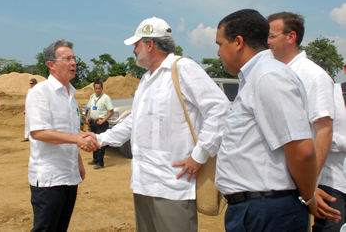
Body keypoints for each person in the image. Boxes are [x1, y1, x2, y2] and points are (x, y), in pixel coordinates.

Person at [82, 17, 229, 232]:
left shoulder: (182, 69)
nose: (133, 51)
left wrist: (199, 156)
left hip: (172, 186)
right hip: (144, 183)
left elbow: (220, 109)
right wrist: (100, 139)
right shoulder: (145, 80)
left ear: (150, 45)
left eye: (136, 45)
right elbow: (134, 121)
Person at [215, 9, 318, 231]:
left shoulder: (268, 77)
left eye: (220, 44)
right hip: (256, 209)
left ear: (238, 42)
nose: (218, 53)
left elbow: (302, 151)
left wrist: (309, 198)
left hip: (268, 211)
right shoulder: (256, 77)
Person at [266, 12, 338, 230]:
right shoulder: (274, 72)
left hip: (297, 187)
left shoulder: (314, 76)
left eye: (271, 36)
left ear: (291, 37)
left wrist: (308, 185)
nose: (266, 42)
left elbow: (324, 131)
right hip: (274, 186)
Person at [26, 38, 99, 231]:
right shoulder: (40, 92)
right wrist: (77, 139)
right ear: (51, 65)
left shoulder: (71, 97)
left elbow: (70, 132)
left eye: (74, 58)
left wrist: (78, 162)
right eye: (67, 59)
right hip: (49, 178)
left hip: (69, 175)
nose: (73, 63)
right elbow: (39, 132)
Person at [85, 81, 114, 169]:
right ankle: (95, 159)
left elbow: (111, 111)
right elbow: (90, 108)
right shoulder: (92, 96)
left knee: (101, 142)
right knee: (93, 141)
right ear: (94, 88)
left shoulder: (106, 98)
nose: (97, 90)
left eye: (99, 88)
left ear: (102, 88)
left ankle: (100, 163)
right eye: (96, 88)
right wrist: (87, 117)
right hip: (93, 122)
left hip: (101, 123)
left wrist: (103, 120)